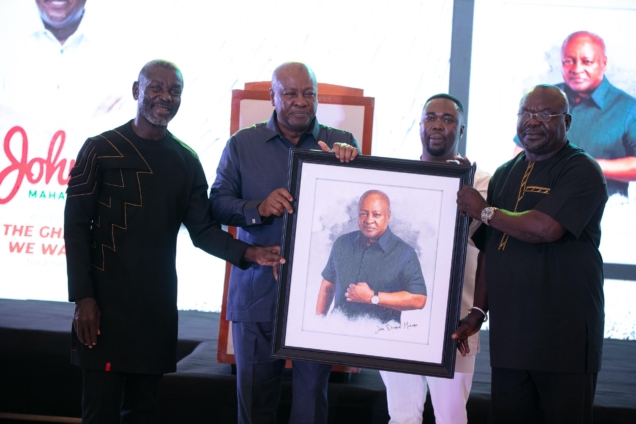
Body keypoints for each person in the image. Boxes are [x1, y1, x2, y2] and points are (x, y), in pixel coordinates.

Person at [64, 59, 284, 424]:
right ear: (137, 91)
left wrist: (251, 253)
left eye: (174, 91)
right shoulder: (99, 149)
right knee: (99, 413)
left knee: (143, 412)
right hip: (102, 307)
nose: (165, 97)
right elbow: (74, 227)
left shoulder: (186, 161)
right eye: (156, 87)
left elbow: (203, 231)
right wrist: (83, 298)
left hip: (156, 308)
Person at [209, 62, 360, 424]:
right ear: (273, 97)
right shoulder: (242, 144)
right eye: (290, 93)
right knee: (255, 405)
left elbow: (362, 213)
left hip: (318, 298)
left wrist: (350, 168)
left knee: (311, 405)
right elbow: (217, 205)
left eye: (308, 93)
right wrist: (258, 208)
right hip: (257, 292)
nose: (301, 101)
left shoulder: (341, 144)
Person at [456, 84, 608, 423]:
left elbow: (545, 229)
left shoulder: (581, 169)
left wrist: (484, 210)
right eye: (525, 113)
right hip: (511, 338)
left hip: (564, 338)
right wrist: (477, 312)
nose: (532, 121)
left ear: (566, 122)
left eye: (545, 114)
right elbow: (490, 251)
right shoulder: (504, 174)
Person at [379, 94, 490, 424]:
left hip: (456, 320)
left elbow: (486, 249)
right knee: (401, 415)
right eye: (431, 117)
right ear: (420, 126)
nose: (438, 125)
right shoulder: (394, 178)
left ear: (461, 130)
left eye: (448, 119)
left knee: (451, 416)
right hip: (398, 316)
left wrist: (479, 312)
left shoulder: (482, 182)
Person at [513, 31, 636, 197]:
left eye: (587, 61)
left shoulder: (629, 108)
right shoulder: (544, 97)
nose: (577, 69)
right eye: (569, 61)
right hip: (538, 203)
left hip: (603, 207)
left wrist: (584, 166)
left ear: (604, 63)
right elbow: (520, 152)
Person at [315, 189, 427, 324]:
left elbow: (419, 299)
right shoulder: (342, 243)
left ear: (388, 216)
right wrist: (318, 324)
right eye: (363, 213)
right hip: (336, 329)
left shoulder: (405, 252)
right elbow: (327, 286)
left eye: (376, 215)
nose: (369, 220)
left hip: (380, 334)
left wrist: (373, 297)